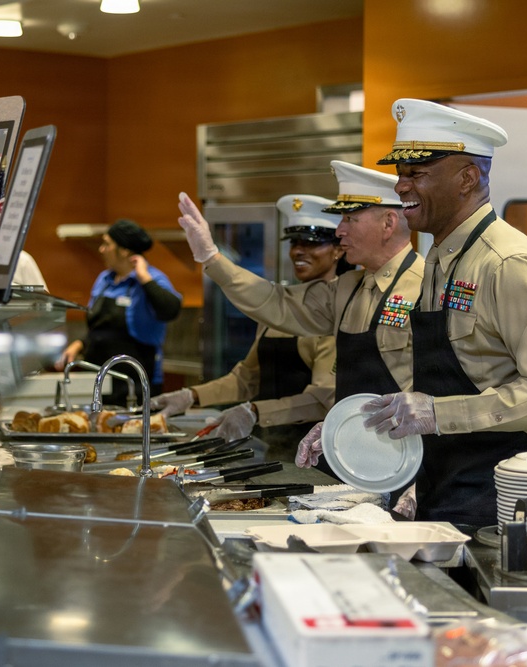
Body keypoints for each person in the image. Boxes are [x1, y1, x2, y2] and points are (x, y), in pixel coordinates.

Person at [361, 98, 527, 528]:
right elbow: (441, 374)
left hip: (498, 502)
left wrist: (438, 415)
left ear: (467, 178)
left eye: (417, 175)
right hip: (440, 489)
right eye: (400, 174)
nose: (400, 187)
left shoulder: (509, 264)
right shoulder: (437, 258)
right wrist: (368, 429)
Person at [175, 160, 424, 482]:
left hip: (410, 463)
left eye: (350, 218)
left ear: (389, 223)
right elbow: (278, 303)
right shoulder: (350, 288)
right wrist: (212, 259)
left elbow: (445, 391)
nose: (340, 230)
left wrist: (420, 484)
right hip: (355, 456)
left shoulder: (428, 286)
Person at [152, 194, 350, 459]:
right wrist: (191, 396)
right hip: (272, 451)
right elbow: (247, 378)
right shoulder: (280, 309)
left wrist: (254, 412)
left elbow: (322, 399)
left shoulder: (339, 312)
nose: (298, 251)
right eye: (294, 242)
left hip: (313, 454)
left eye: (311, 243)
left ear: (338, 249)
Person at [54, 219, 182, 405]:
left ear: (124, 250)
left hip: (134, 385)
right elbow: (101, 329)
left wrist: (144, 278)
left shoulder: (153, 278)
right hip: (98, 381)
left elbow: (171, 310)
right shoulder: (104, 279)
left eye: (107, 244)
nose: (101, 249)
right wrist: (79, 344)